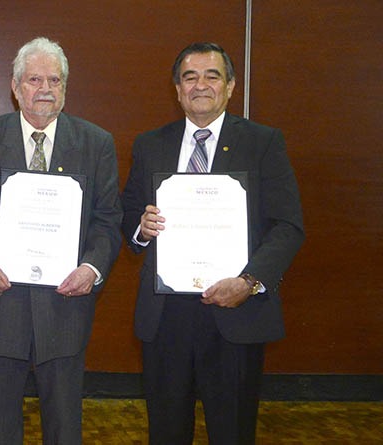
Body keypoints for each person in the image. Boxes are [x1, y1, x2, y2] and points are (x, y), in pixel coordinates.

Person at [120, 42, 305, 444]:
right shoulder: (150, 144)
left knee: (232, 432)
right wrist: (141, 227)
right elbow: (128, 216)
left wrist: (251, 280)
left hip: (236, 313)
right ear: (177, 89)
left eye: (212, 75)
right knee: (166, 432)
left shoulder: (263, 142)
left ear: (231, 86)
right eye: (190, 77)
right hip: (166, 316)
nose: (200, 85)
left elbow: (288, 226)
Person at [0, 37, 123, 444]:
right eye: (34, 79)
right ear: (15, 86)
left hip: (66, 303)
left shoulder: (97, 143)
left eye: (55, 80)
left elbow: (108, 218)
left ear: (65, 87)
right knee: (0, 424)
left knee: (64, 425)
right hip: (0, 301)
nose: (45, 89)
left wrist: (92, 268)